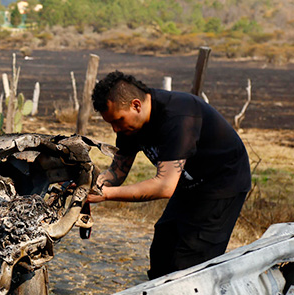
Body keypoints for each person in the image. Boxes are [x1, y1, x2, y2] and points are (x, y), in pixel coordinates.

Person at [86, 71, 251, 279]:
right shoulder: (128, 127)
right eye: (110, 123)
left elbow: (164, 186)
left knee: (190, 260)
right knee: (163, 247)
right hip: (188, 184)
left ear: (136, 105)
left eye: (118, 120)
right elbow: (116, 172)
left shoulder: (178, 116)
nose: (115, 128)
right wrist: (91, 188)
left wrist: (107, 195)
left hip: (223, 184)